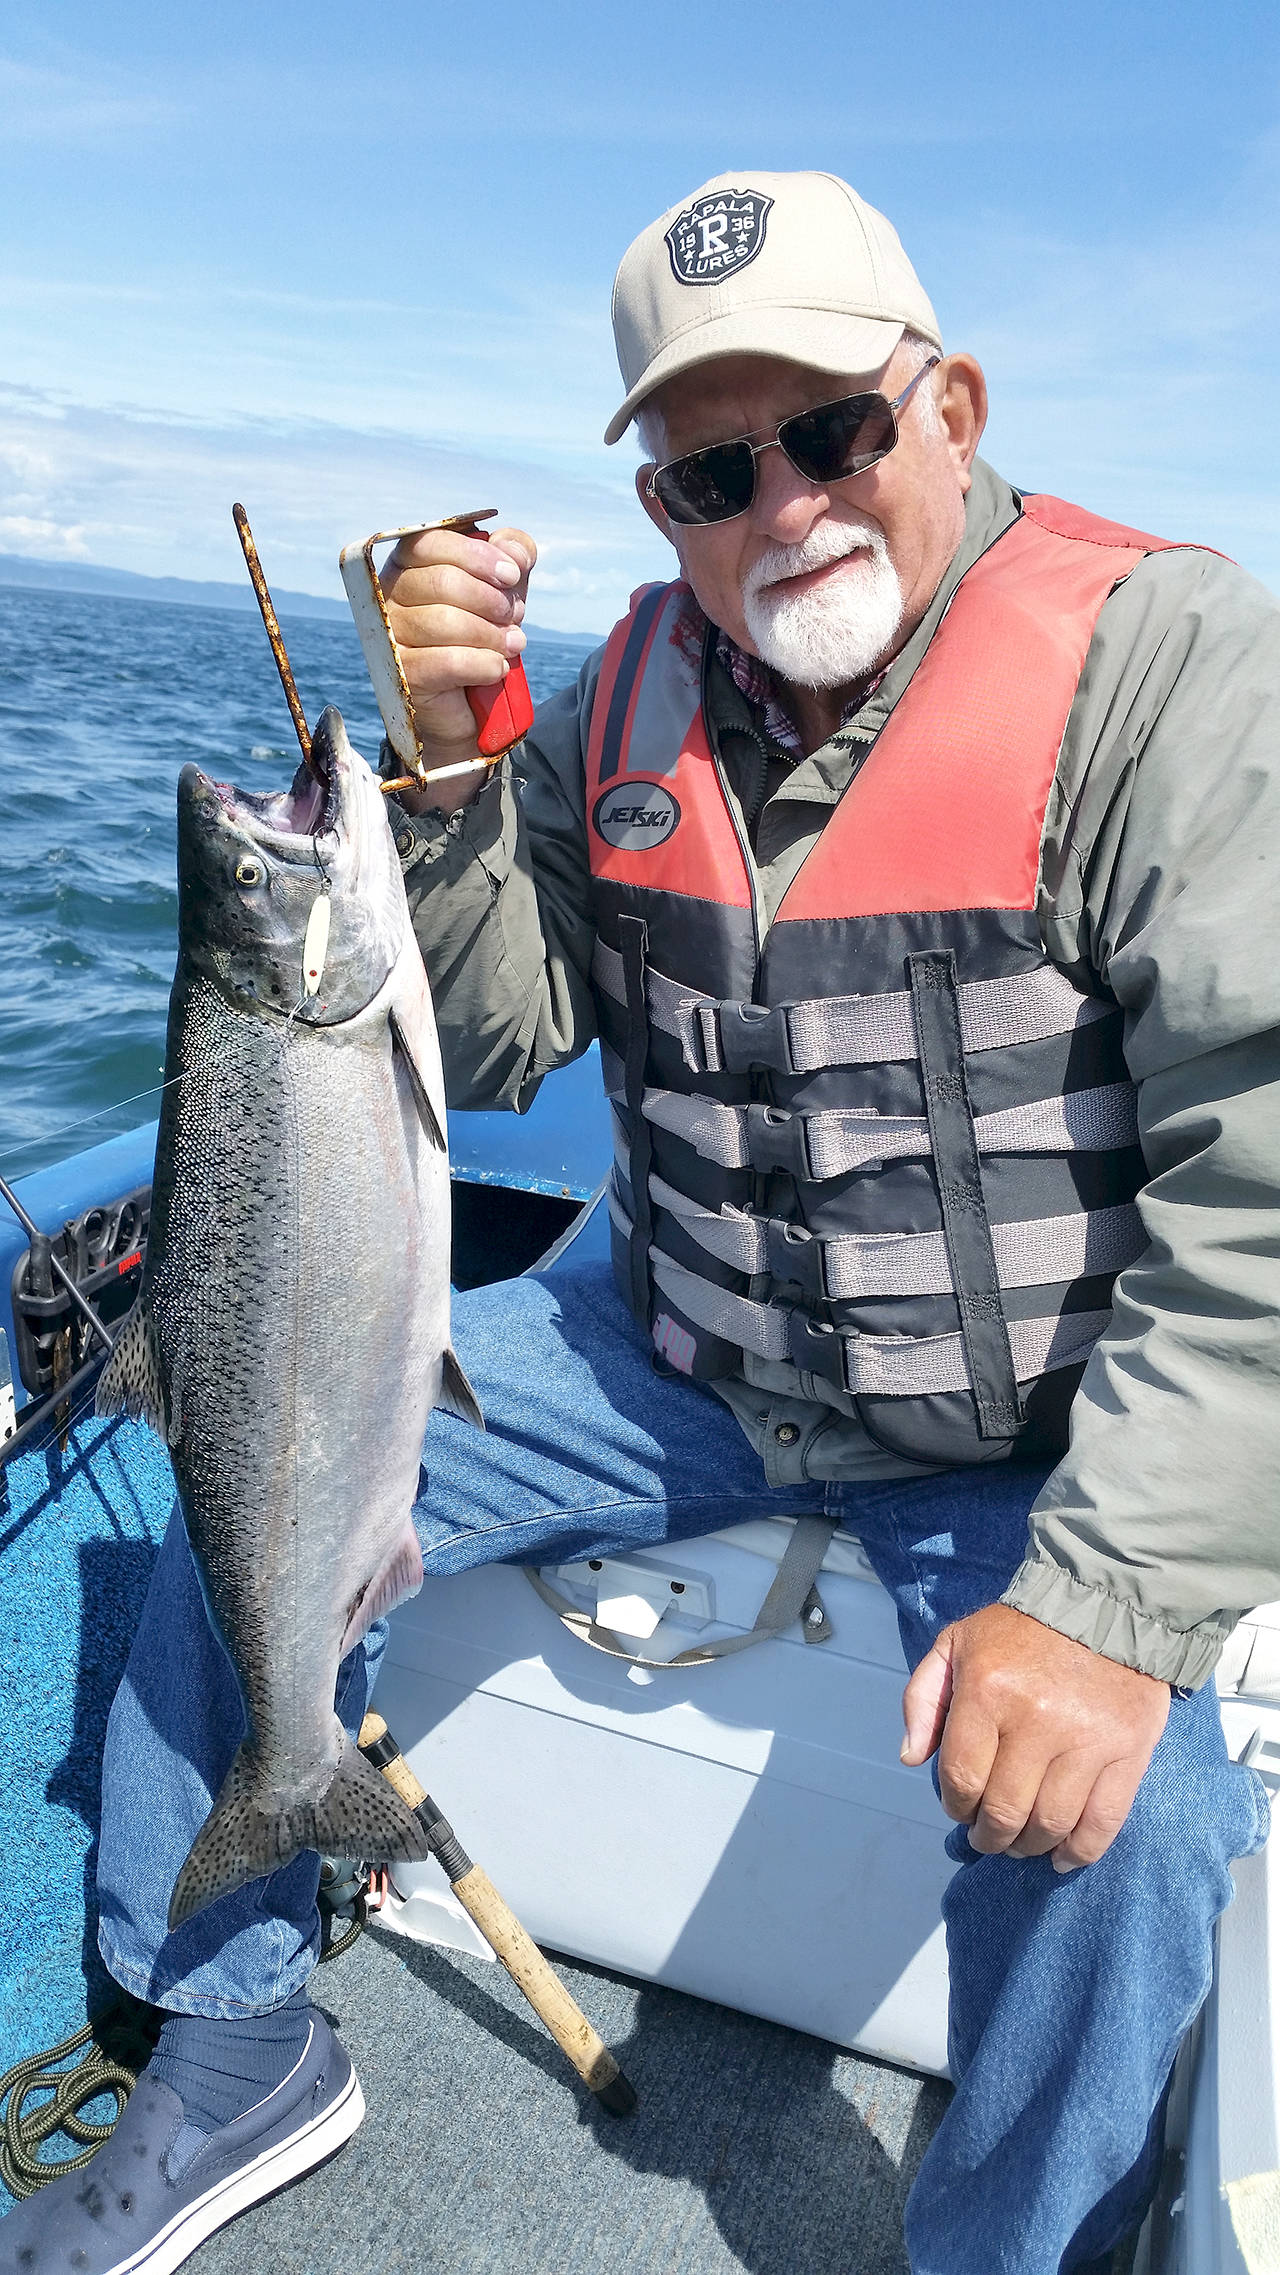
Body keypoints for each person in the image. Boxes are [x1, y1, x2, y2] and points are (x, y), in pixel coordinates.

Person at [4, 169, 1277, 2275]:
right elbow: (490, 1049)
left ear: (946, 400)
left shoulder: (1172, 668)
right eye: (708, 466)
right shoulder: (621, 705)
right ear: (656, 499)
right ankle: (228, 2033)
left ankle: (1012, 2245)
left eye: (830, 434)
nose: (779, 506)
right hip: (670, 1353)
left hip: (1024, 1424)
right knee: (237, 1482)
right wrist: (433, 785)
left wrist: (1110, 1597)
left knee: (1131, 1825)